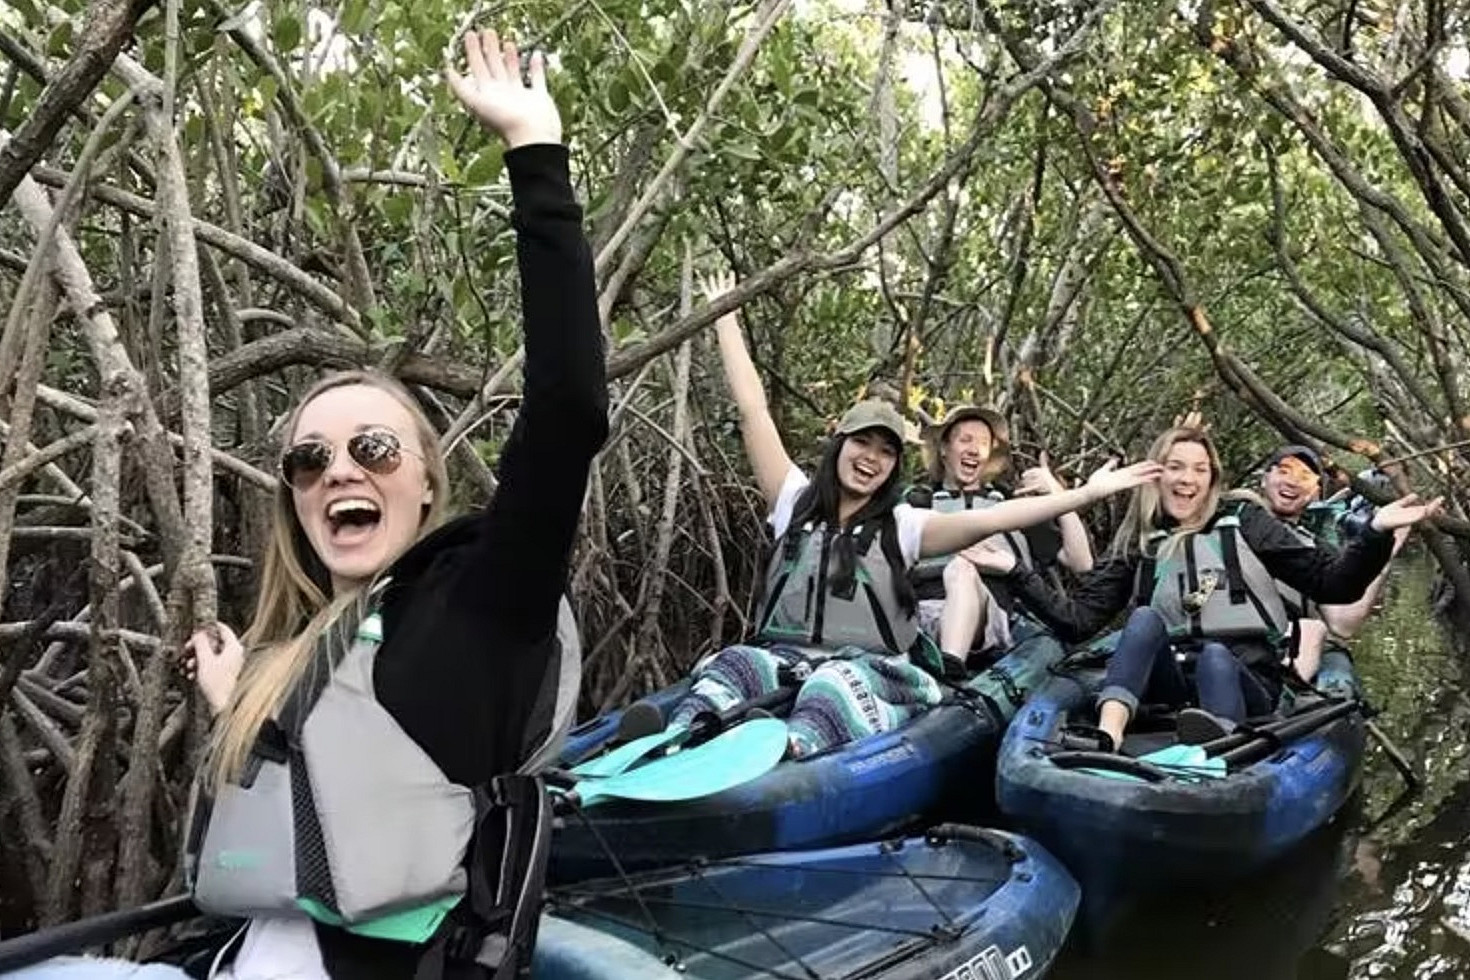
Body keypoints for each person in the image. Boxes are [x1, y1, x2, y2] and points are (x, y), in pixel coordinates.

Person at [12, 27, 607, 980]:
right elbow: (324, 764)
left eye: (374, 449)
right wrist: (238, 688)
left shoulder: (481, 609)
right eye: (308, 460)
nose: (339, 472)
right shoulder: (316, 648)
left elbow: (570, 408)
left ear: (424, 479)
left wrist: (534, 152)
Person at [662, 272, 1162, 759]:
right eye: (862, 443)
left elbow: (1002, 517)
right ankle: (680, 739)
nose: (871, 458)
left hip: (874, 669)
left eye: (885, 451)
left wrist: (1086, 494)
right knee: (734, 664)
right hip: (789, 657)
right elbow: (754, 412)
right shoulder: (793, 499)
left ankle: (792, 749)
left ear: (894, 466)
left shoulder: (904, 525)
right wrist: (725, 315)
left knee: (831, 686)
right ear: (839, 445)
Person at [970, 427, 1439, 750]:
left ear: (1212, 478)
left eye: (1198, 469)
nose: (1186, 479)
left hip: (1247, 677)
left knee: (1218, 656)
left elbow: (1333, 583)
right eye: (1176, 467)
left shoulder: (1248, 522)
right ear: (1158, 475)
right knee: (1144, 618)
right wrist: (1015, 571)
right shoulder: (1141, 541)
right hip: (1172, 679)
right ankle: (1108, 734)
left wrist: (1375, 532)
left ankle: (1223, 753)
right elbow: (1077, 622)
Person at [906, 406, 1093, 662]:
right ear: (944, 449)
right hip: (921, 614)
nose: (974, 449)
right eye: (965, 440)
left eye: (983, 443)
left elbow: (1081, 561)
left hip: (992, 621)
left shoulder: (1013, 507)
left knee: (962, 570)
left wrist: (1056, 491)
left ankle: (949, 668)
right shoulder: (916, 504)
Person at [1254, 445, 1408, 683]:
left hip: (1294, 646)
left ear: (1315, 491)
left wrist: (1387, 546)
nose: (1293, 482)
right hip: (1234, 639)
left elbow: (1343, 624)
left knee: (1336, 673)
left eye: (1305, 476)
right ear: (1265, 479)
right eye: (1284, 471)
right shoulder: (1231, 521)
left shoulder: (1320, 550)